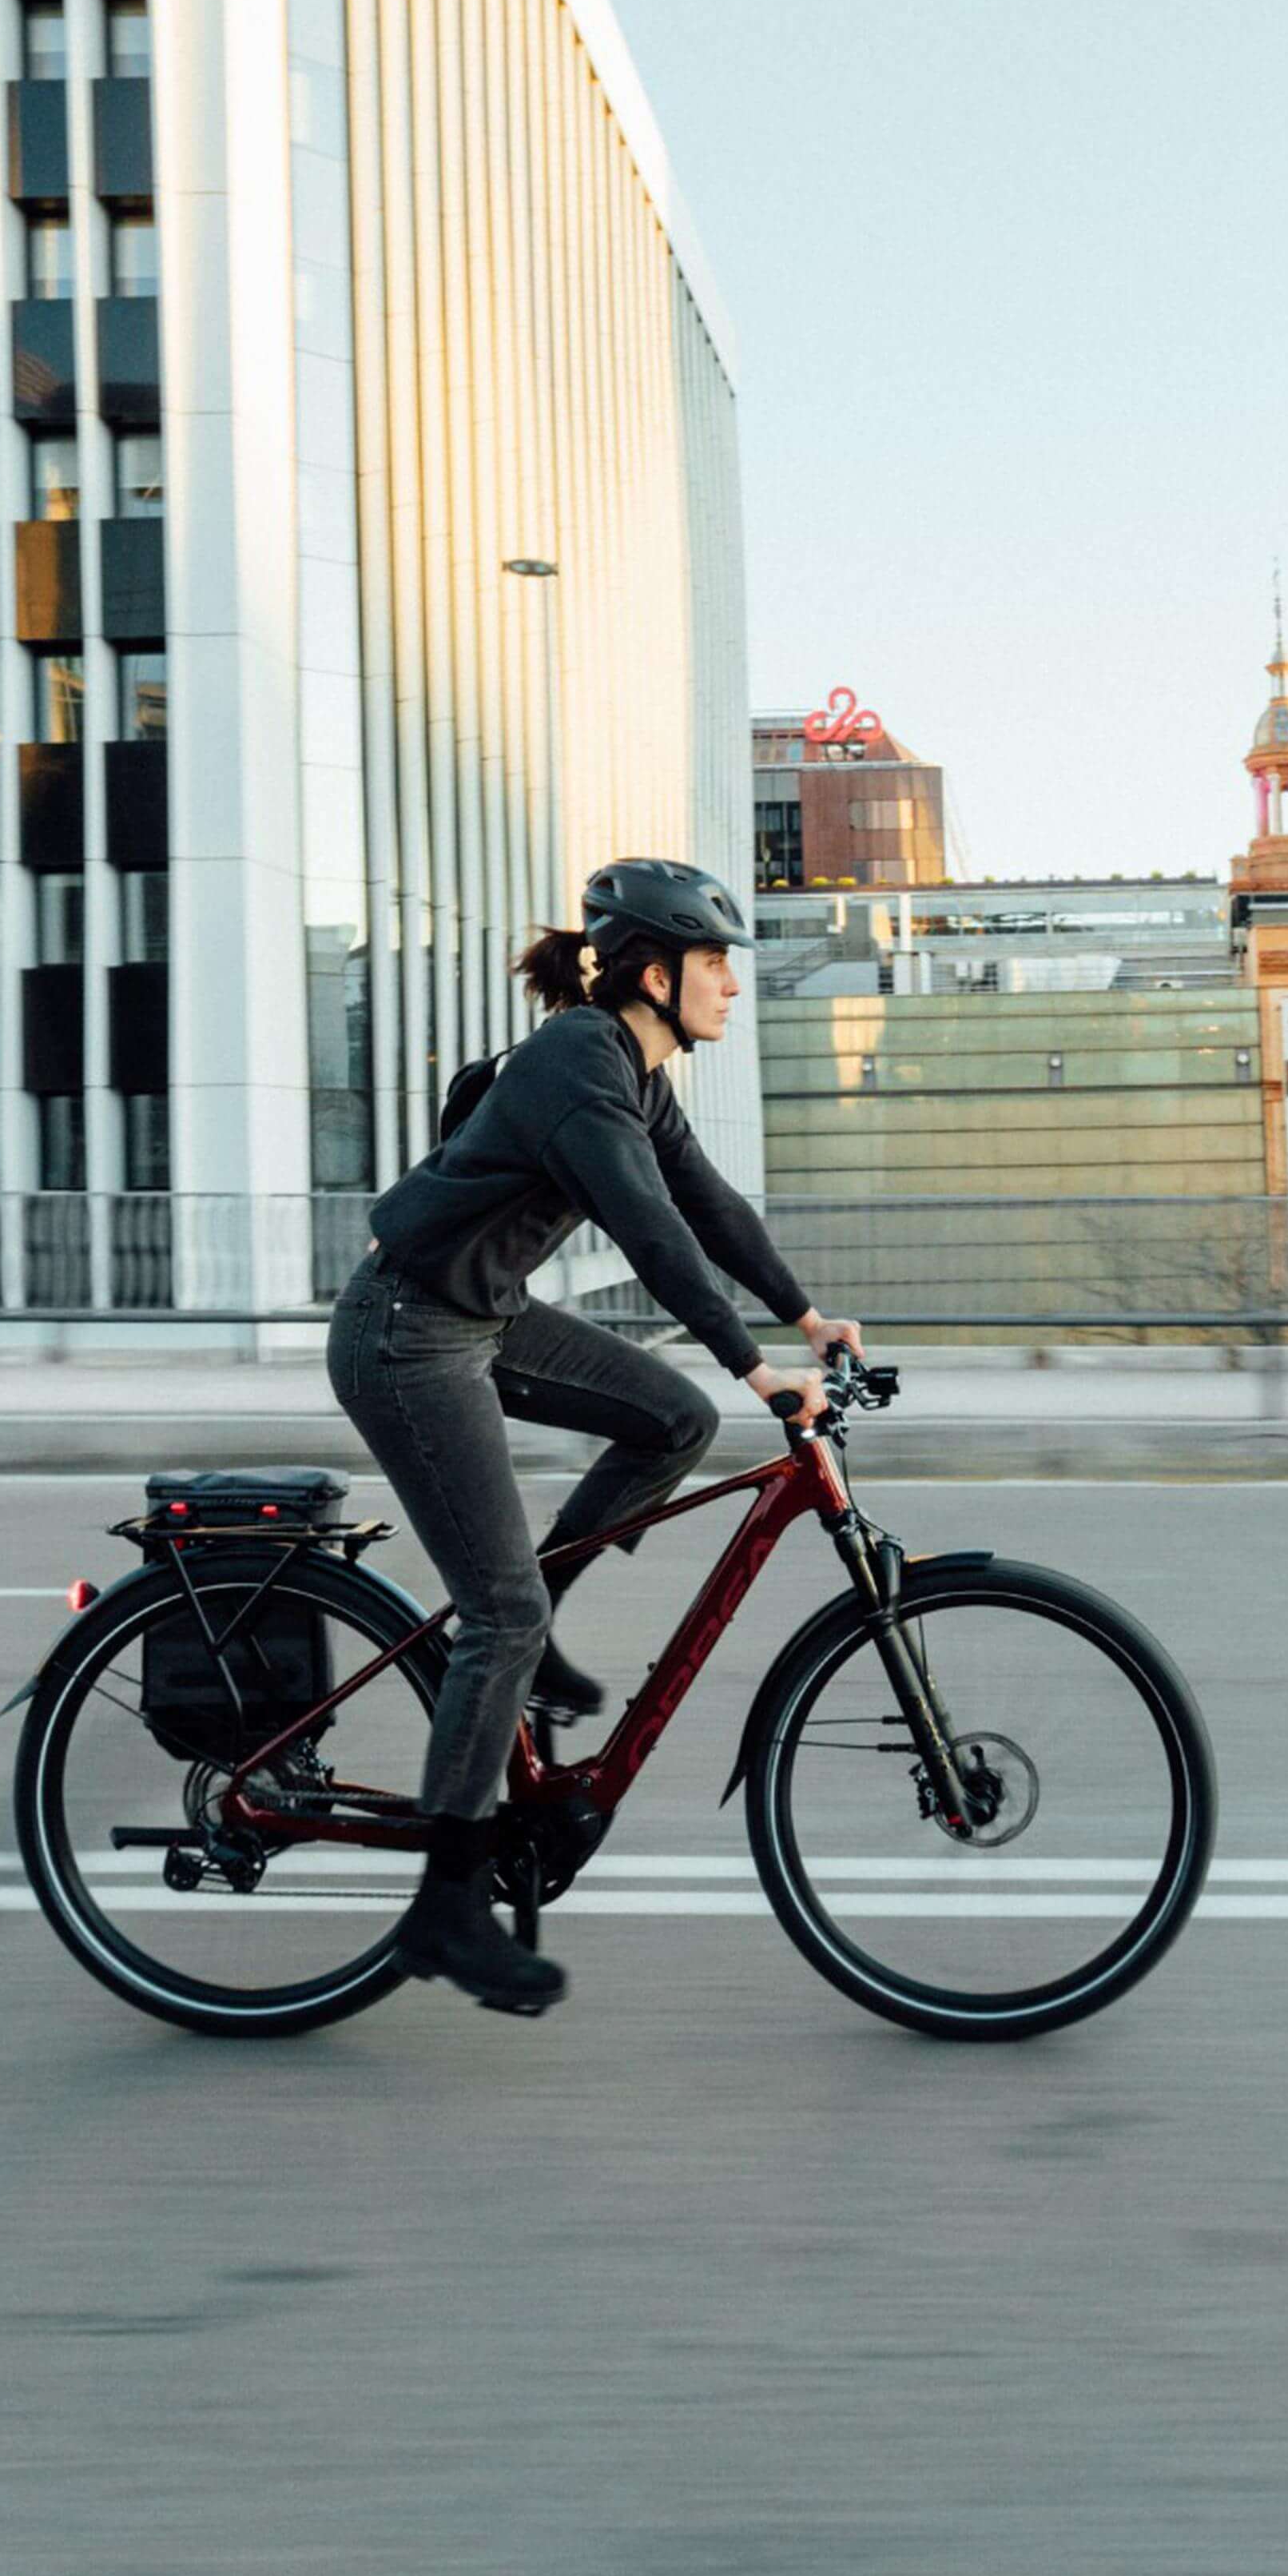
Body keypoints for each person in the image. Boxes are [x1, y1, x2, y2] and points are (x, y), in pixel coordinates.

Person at [326, 858, 857, 2018]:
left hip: (481, 1315)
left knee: (675, 1418)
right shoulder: (579, 1059)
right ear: (657, 973)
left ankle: (534, 1629)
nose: (732, 984)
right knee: (499, 1613)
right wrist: (758, 1363)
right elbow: (650, 1230)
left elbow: (711, 1206)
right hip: (410, 1334)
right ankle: (446, 1911)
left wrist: (806, 1316)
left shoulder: (633, 1067)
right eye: (717, 963)